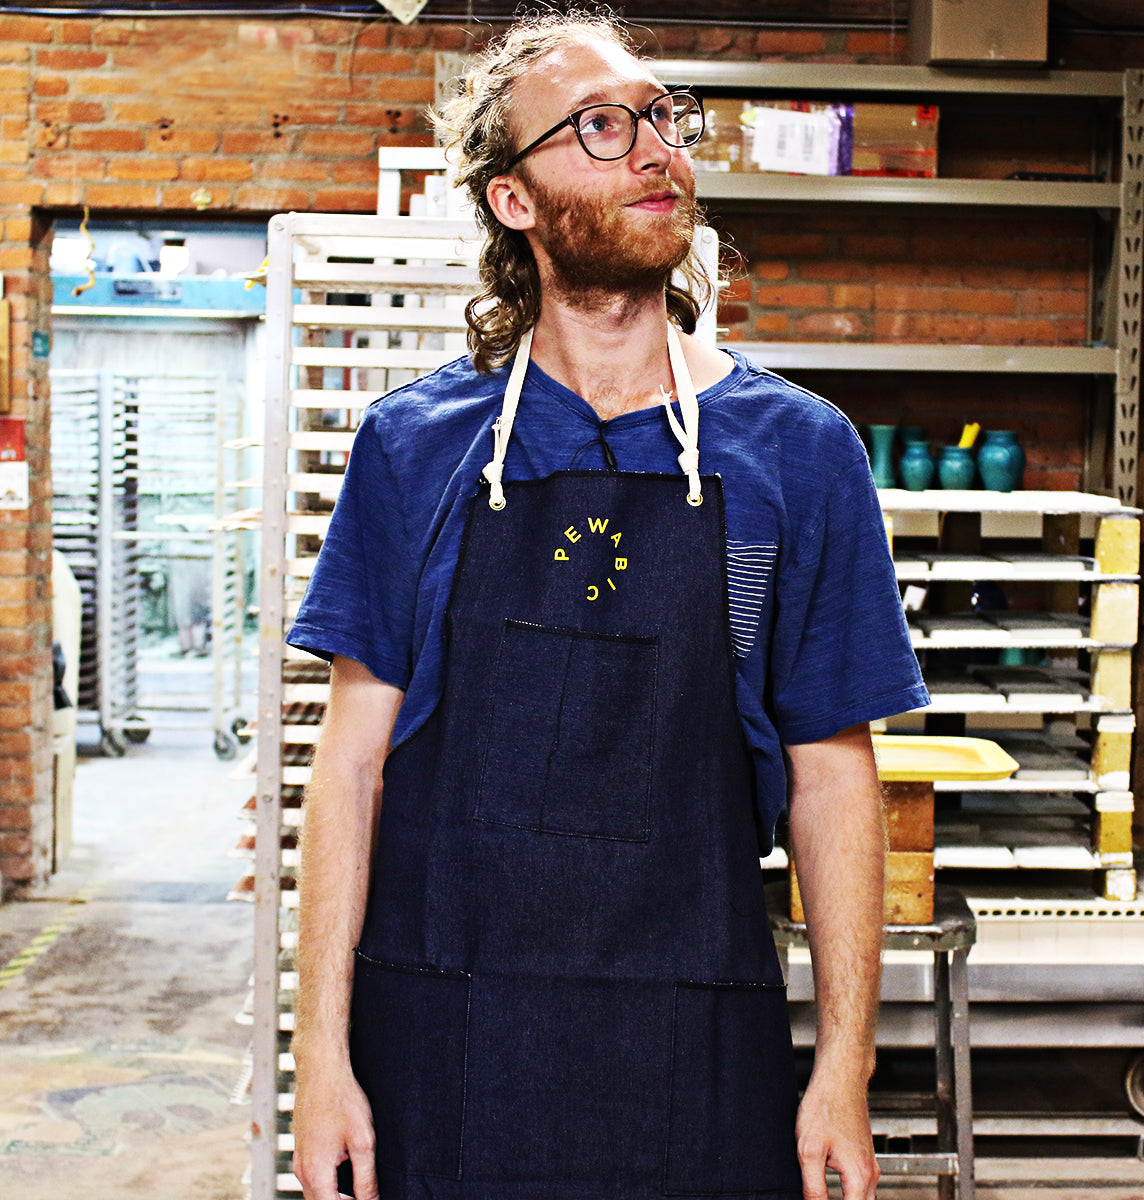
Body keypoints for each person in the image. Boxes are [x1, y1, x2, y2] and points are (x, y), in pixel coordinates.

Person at [286, 12, 928, 1200]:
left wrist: (844, 1063)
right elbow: (352, 764)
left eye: (661, 120)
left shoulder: (800, 453)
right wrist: (317, 1054)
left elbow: (833, 772)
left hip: (695, 1037)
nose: (653, 151)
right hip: (440, 1031)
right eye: (599, 125)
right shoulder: (413, 449)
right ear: (512, 201)